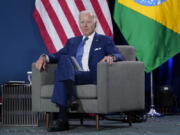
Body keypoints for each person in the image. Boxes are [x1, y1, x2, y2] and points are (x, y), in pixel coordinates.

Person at [35, 10, 124, 132]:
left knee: (60, 73)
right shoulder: (72, 41)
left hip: (91, 75)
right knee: (64, 60)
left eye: (88, 22)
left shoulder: (105, 40)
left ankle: (63, 119)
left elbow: (118, 55)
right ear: (79, 24)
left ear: (95, 23)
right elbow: (57, 55)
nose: (85, 25)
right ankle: (71, 99)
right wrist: (44, 57)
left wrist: (112, 57)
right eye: (82, 22)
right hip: (73, 75)